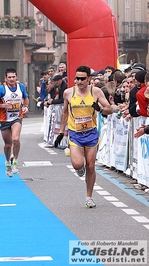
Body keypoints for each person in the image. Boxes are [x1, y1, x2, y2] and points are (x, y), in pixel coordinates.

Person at [54, 65, 112, 208]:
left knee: (91, 166)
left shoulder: (96, 92)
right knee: (78, 164)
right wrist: (61, 133)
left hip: (91, 133)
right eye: (77, 78)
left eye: (82, 79)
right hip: (75, 133)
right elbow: (65, 113)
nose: (79, 81)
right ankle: (80, 169)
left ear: (89, 79)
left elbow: (110, 108)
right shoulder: (68, 93)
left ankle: (89, 196)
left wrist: (100, 109)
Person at [0, 68, 29, 177]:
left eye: (13, 77)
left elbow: (26, 99)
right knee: (8, 145)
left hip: (17, 117)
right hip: (4, 119)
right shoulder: (1, 89)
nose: (12, 79)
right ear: (5, 78)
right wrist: (3, 105)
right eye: (9, 77)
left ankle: (15, 162)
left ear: (16, 77)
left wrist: (25, 107)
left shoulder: (21, 87)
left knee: (15, 139)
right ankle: (7, 162)